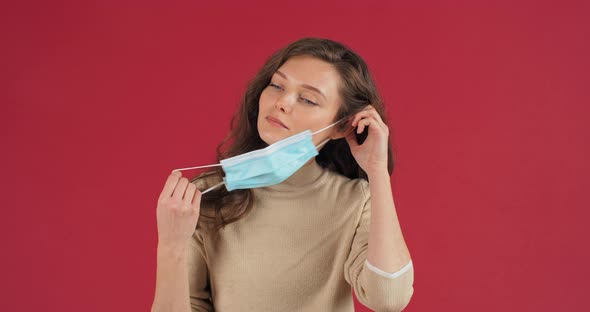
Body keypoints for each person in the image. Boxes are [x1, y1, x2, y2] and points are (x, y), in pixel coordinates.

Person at [151, 37, 414, 312]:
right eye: (276, 85)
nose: (282, 102)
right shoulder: (206, 194)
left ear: (342, 126)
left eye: (308, 99)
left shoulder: (355, 200)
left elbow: (389, 299)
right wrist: (172, 245)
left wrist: (377, 172)